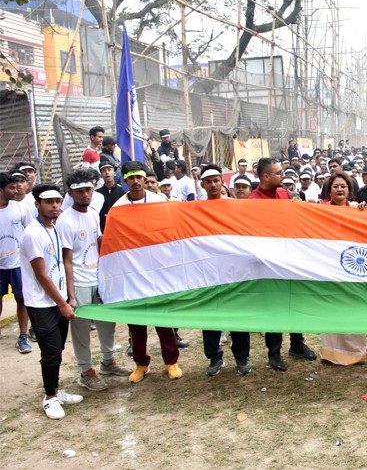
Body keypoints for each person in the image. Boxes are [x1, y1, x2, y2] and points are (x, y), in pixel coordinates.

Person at [58, 169, 131, 391]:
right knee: (80, 329)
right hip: (79, 281)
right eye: (80, 191)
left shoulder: (91, 213)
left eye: (89, 189)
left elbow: (97, 240)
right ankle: (86, 371)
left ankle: (108, 362)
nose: (85, 195)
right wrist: (70, 295)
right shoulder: (65, 221)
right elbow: (67, 261)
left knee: (107, 322)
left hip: (98, 277)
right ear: (70, 193)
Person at [112, 161, 183, 383]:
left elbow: (172, 232)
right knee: (136, 323)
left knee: (164, 319)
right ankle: (141, 363)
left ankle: (171, 361)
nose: (135, 181)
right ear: (124, 180)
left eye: (139, 177)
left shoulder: (159, 201)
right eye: (130, 177)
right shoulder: (117, 209)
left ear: (145, 179)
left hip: (158, 272)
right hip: (133, 274)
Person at [20, 184, 83, 419]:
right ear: (37, 205)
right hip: (41, 303)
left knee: (58, 348)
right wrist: (63, 304)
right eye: (49, 202)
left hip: (57, 299)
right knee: (51, 350)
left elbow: (61, 264)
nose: (55, 205)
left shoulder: (54, 229)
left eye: (58, 201)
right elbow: (41, 274)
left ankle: (56, 390)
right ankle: (49, 398)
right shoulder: (32, 233)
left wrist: (70, 295)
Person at [249, 158, 317, 370]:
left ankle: (297, 344)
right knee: (275, 307)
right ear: (266, 176)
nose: (283, 175)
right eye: (278, 173)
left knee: (296, 301)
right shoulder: (253, 201)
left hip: (290, 258)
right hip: (269, 263)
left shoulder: (284, 194)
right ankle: (274, 352)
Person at [198, 164, 252, 376]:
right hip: (208, 270)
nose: (213, 185)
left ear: (222, 182)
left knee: (238, 313)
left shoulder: (235, 206)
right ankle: (214, 357)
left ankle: (242, 356)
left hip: (234, 269)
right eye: (208, 182)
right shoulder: (195, 209)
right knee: (210, 314)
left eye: (216, 181)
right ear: (202, 185)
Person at [320, 171, 367, 365]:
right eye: (335, 186)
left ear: (350, 190)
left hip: (353, 269)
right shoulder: (320, 211)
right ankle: (331, 353)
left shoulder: (358, 211)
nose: (339, 189)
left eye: (343, 186)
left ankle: (357, 351)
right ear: (329, 191)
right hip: (330, 268)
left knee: (354, 307)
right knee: (333, 308)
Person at [0, 172, 33, 352]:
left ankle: (23, 336)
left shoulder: (20, 208)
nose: (16, 190)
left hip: (18, 265)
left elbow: (30, 231)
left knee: (22, 299)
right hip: (0, 266)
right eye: (11, 188)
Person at [95, 160, 125, 232]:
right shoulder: (96, 194)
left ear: (114, 173)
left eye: (109, 170)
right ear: (101, 175)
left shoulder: (123, 191)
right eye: (104, 171)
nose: (107, 172)